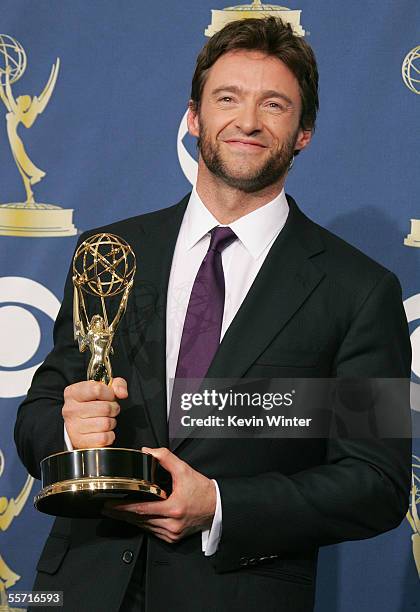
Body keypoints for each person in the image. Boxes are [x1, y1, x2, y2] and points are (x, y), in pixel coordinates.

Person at [15, 17, 411, 612]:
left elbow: (375, 483)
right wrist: (72, 433)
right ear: (194, 117)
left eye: (273, 105)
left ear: (303, 131)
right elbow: (40, 412)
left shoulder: (358, 291)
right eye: (228, 98)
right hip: (82, 589)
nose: (247, 121)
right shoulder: (108, 254)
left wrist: (222, 505)